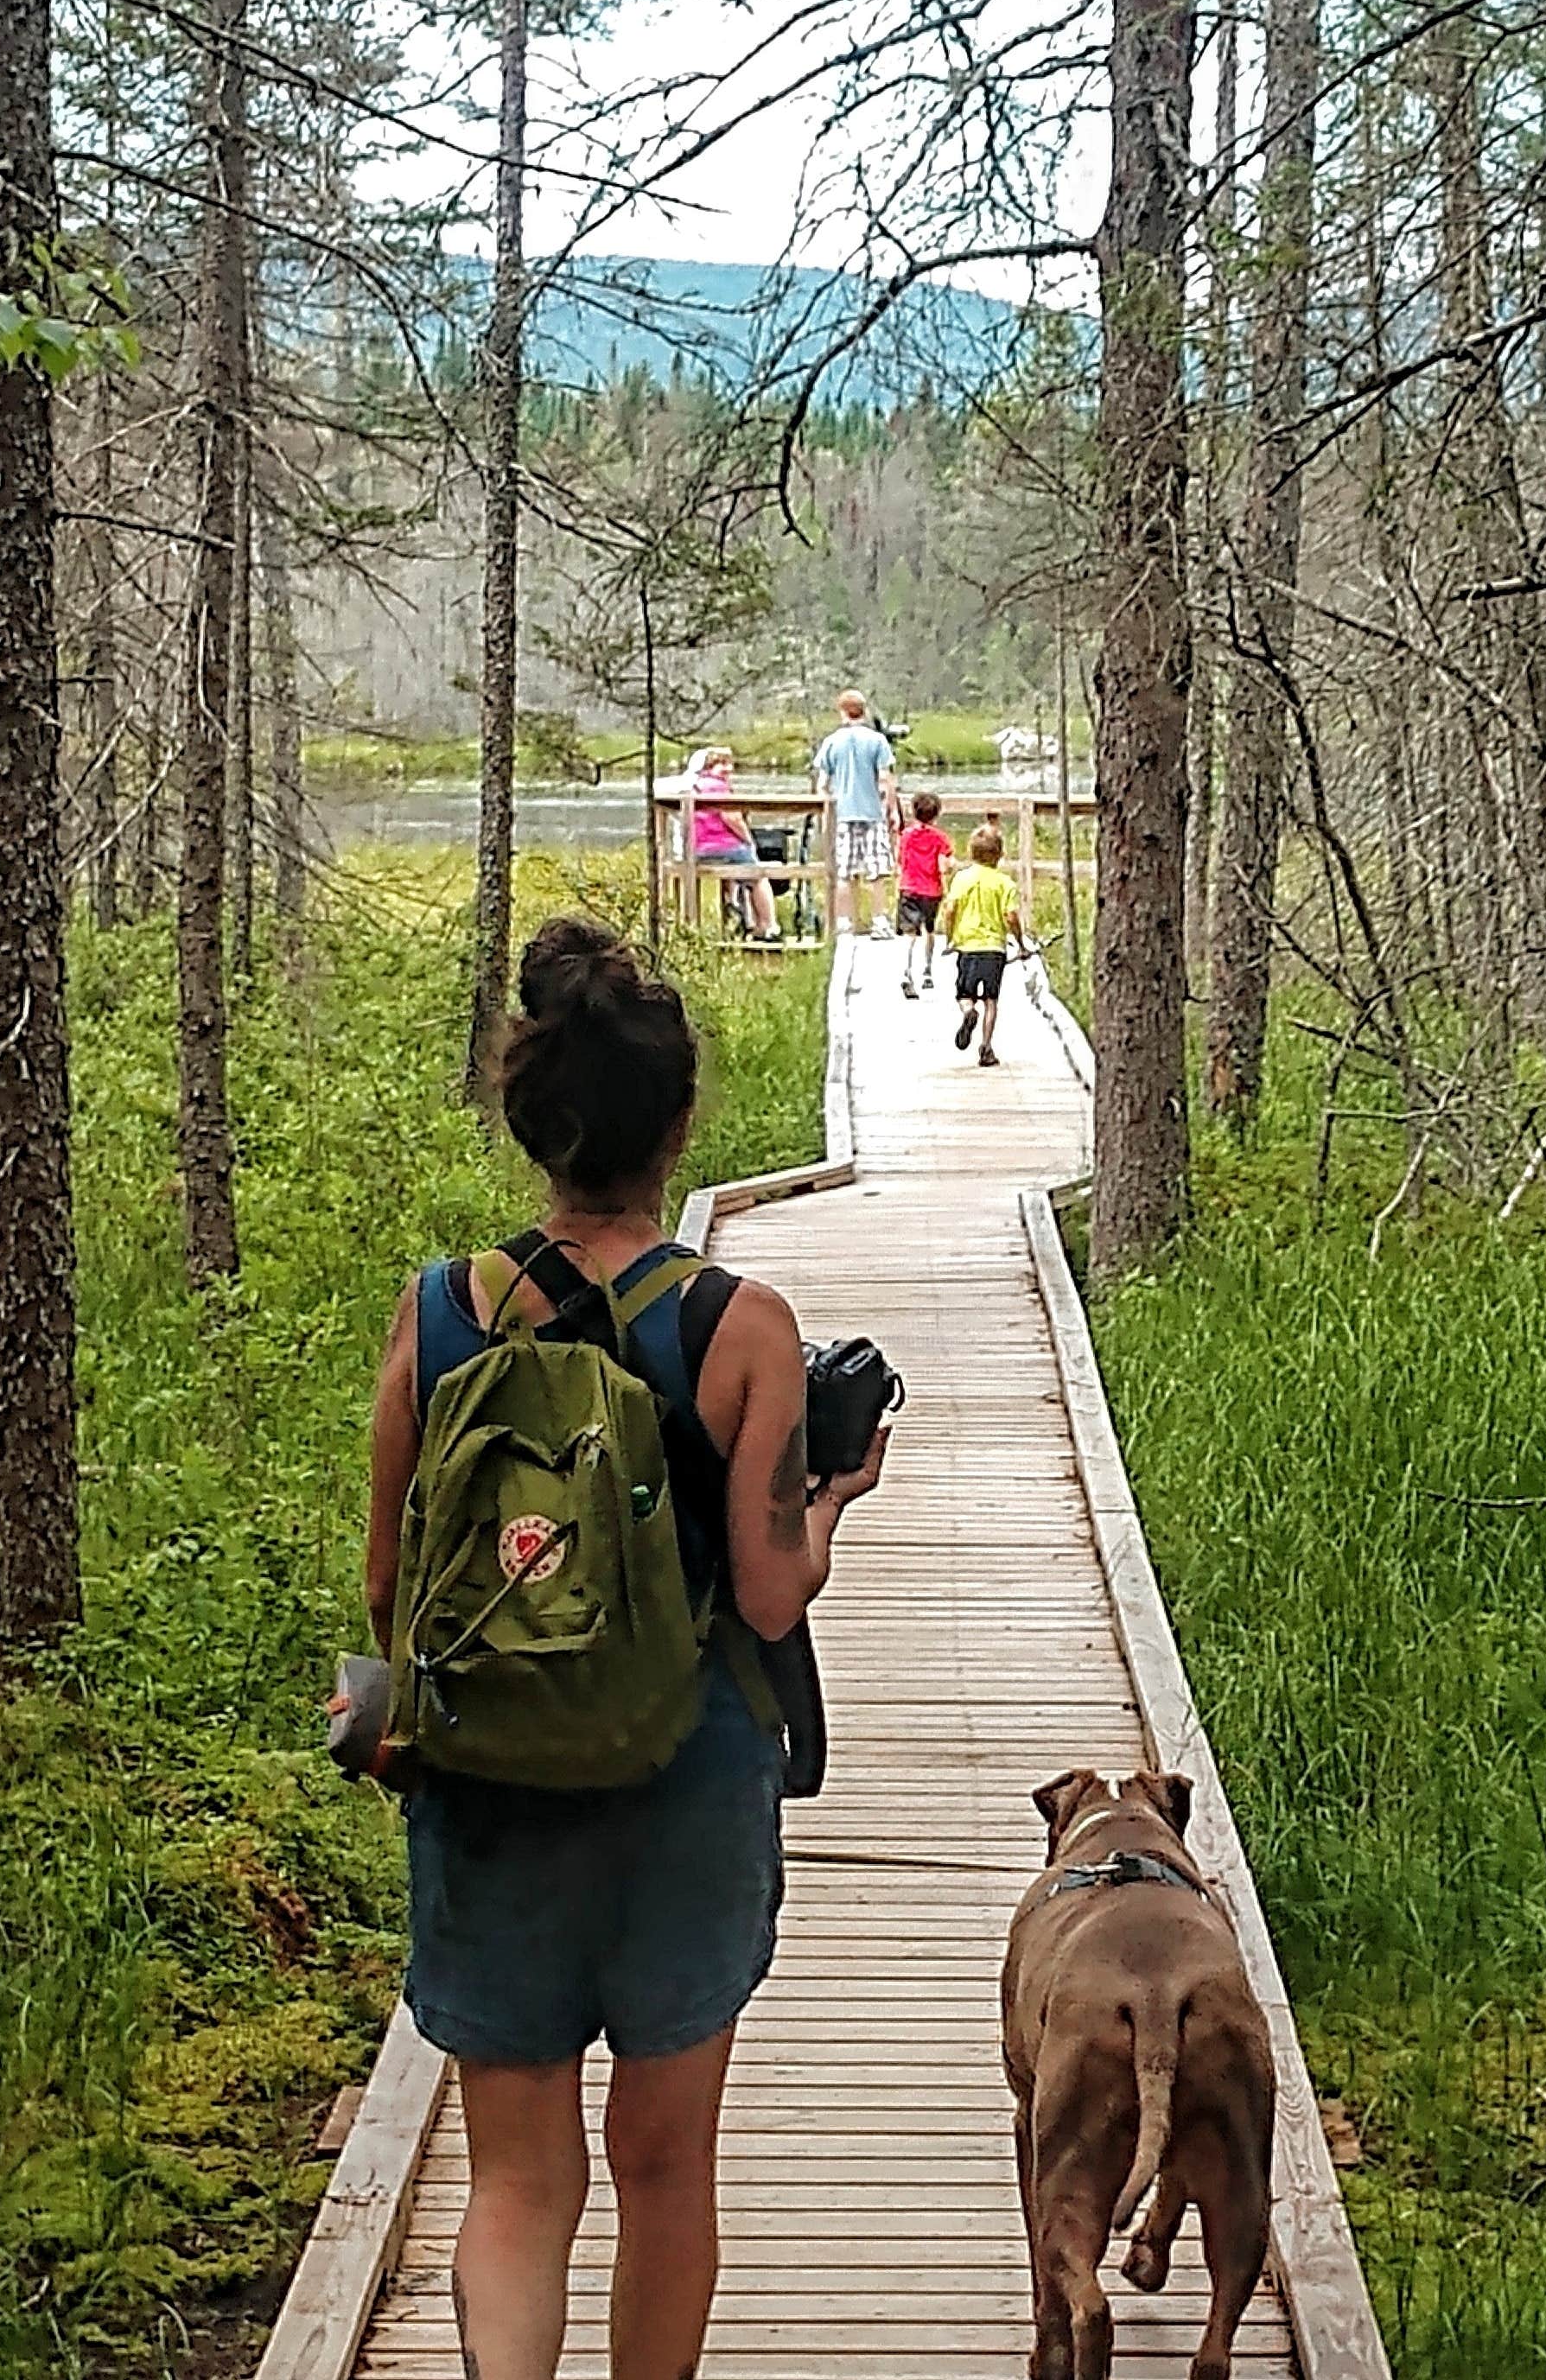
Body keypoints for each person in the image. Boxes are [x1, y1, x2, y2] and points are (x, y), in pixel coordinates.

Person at [366, 920, 884, 2380]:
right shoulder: (741, 1325)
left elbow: (389, 1594)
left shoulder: (434, 1313)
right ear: (683, 1125)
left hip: (487, 1788)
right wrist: (834, 1506)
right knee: (664, 2170)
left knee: (517, 2183)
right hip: (686, 1785)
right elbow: (772, 1601)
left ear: (531, 1122)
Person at [811, 689, 898, 938]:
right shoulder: (877, 741)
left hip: (843, 814)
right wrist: (891, 810)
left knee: (844, 873)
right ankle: (880, 922)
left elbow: (823, 783)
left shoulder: (831, 742)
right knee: (877, 871)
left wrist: (823, 813)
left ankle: (845, 923)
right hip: (872, 814)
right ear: (864, 710)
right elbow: (884, 779)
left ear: (842, 712)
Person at [938, 823, 1025, 1067]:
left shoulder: (961, 879)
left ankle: (967, 1012)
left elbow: (950, 909)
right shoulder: (1004, 883)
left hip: (967, 947)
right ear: (999, 854)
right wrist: (1020, 943)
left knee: (964, 994)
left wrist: (950, 937)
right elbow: (1011, 916)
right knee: (991, 1000)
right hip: (994, 948)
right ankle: (986, 1047)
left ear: (971, 852)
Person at [685, 746, 779, 943]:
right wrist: (749, 840)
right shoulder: (719, 787)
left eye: (730, 764)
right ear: (710, 766)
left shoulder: (696, 785)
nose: (728, 769)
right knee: (759, 876)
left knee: (742, 872)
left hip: (700, 849)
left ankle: (744, 921)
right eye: (722, 764)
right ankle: (769, 926)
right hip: (723, 846)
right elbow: (732, 818)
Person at [895, 792, 954, 999]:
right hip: (932, 890)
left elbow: (900, 859)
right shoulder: (940, 838)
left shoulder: (906, 836)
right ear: (936, 815)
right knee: (929, 930)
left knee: (909, 934)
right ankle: (926, 971)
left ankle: (905, 972)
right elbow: (946, 865)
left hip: (909, 887)